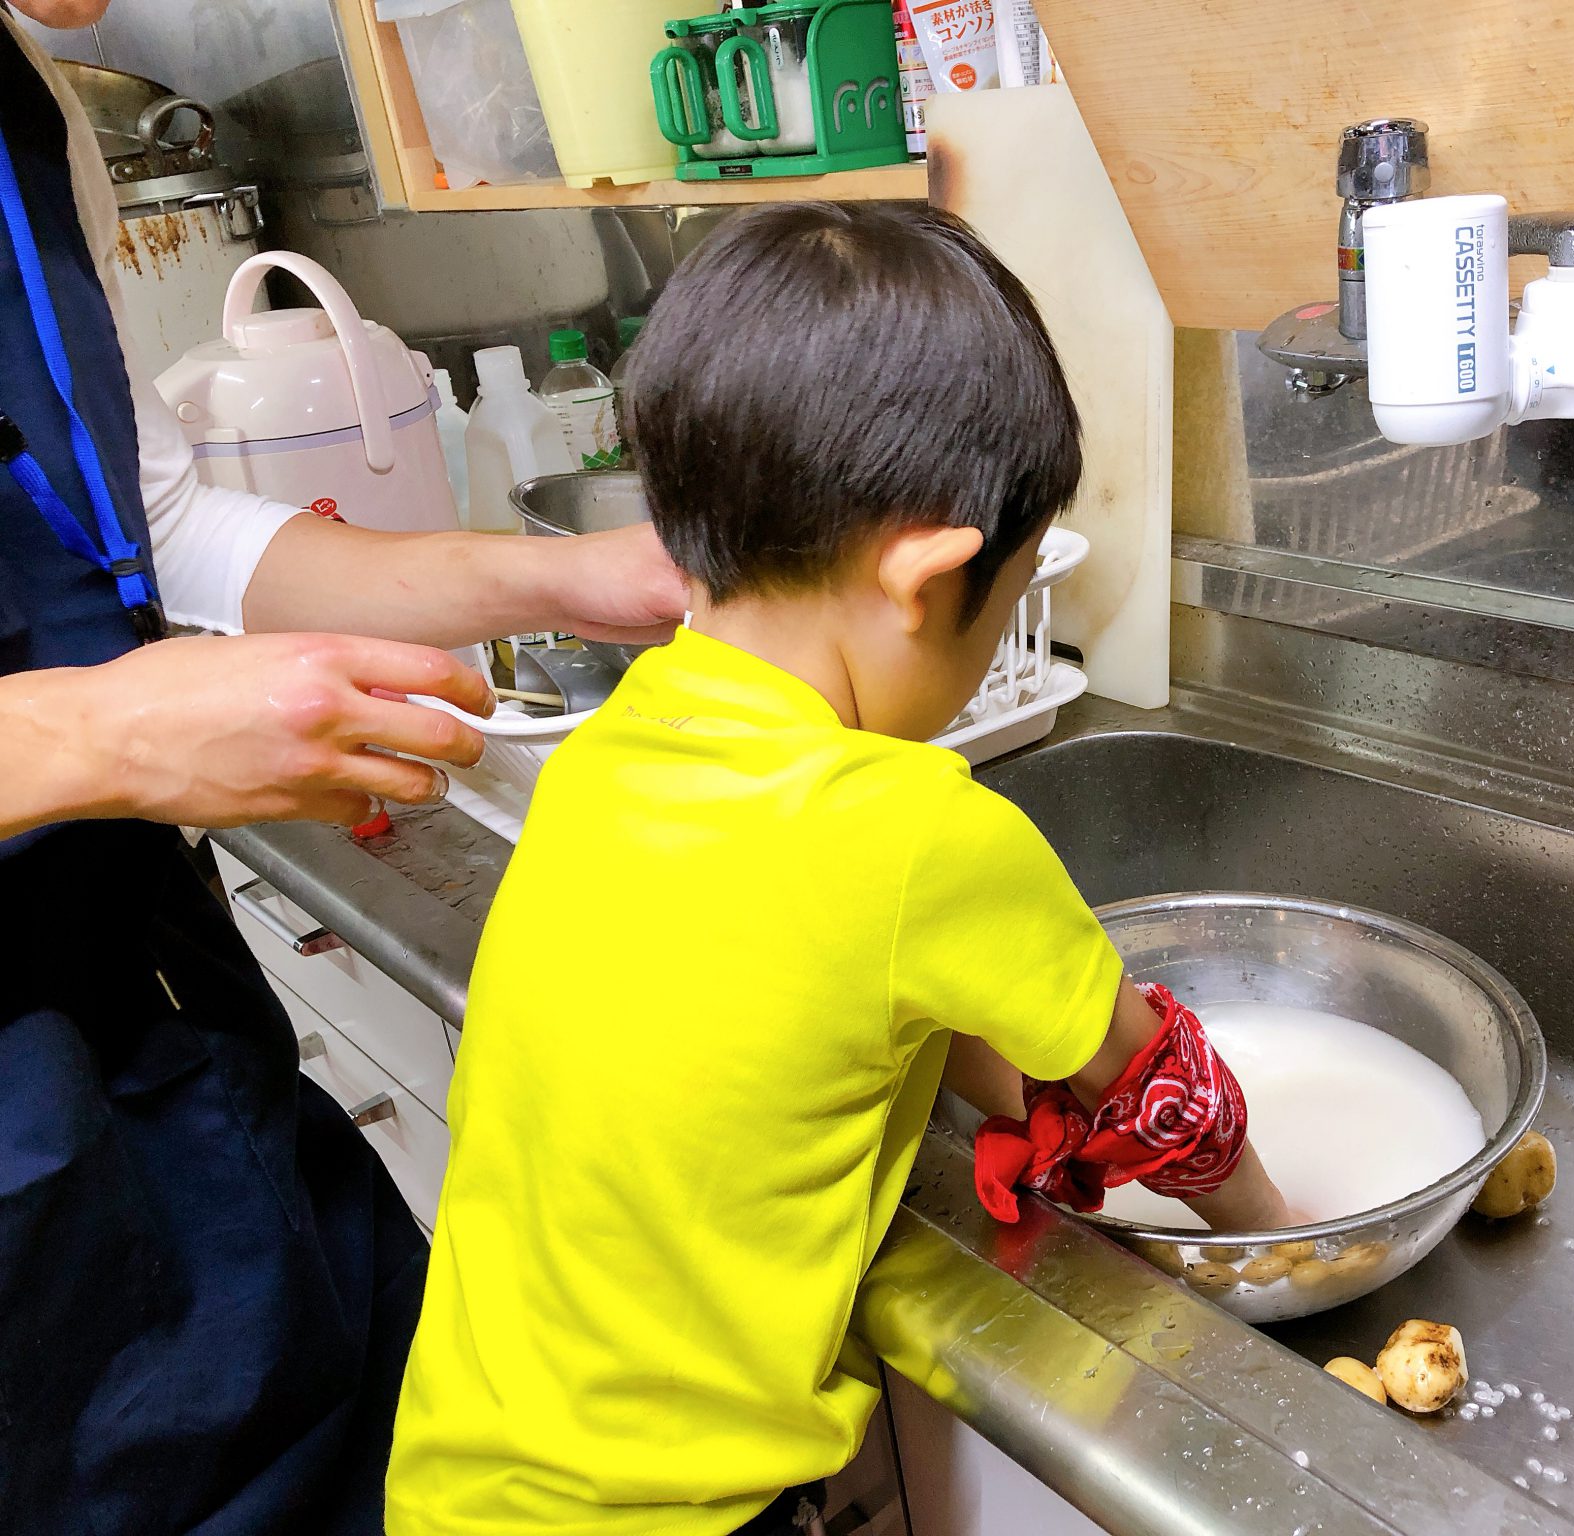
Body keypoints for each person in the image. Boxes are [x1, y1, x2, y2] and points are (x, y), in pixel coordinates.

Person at [383, 202, 1296, 1536]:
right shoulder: (916, 827)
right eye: (1012, 598)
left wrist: (1022, 1087)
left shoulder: (603, 758)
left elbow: (835, 996)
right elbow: (1162, 1092)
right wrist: (1276, 1230)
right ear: (927, 581)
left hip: (458, 1480)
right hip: (679, 1516)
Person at [0, 7, 692, 1532]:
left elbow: (153, 525)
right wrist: (97, 736)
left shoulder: (27, 95)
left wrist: (556, 578)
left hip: (163, 1039)